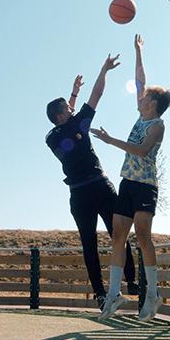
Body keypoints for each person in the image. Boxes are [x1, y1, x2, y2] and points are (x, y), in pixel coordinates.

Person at [45, 55, 139, 309]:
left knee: (108, 237)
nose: (71, 108)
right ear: (60, 115)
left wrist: (73, 94)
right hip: (90, 189)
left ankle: (119, 286)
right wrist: (104, 69)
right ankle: (114, 288)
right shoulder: (63, 132)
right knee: (104, 238)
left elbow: (71, 118)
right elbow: (97, 94)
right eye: (68, 107)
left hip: (89, 190)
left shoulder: (58, 132)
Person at [92, 34, 170, 322]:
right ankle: (114, 294)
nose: (141, 97)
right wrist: (137, 51)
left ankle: (152, 294)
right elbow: (140, 79)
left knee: (142, 236)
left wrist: (111, 140)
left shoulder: (157, 125)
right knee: (117, 237)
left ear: (153, 103)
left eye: (146, 96)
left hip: (145, 186)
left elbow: (141, 150)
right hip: (127, 182)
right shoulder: (142, 114)